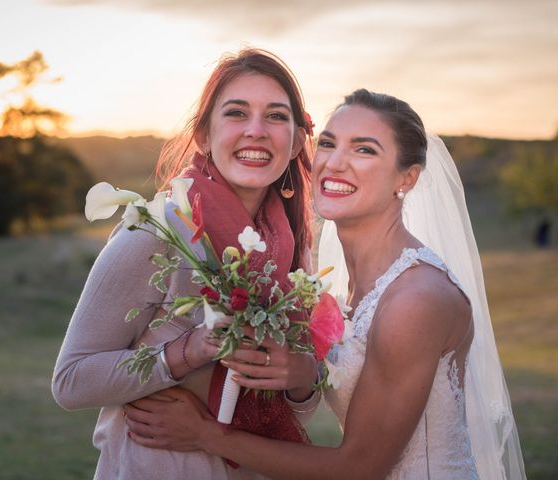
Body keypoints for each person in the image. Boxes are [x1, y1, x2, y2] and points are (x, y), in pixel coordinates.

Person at [122, 90, 526, 479]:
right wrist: (303, 373)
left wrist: (206, 434)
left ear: (407, 178)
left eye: (364, 149)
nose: (335, 163)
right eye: (329, 144)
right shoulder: (342, 290)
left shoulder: (416, 299)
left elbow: (358, 468)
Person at [51, 48, 320, 479]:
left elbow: (295, 411)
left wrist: (301, 373)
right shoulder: (157, 233)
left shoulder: (291, 249)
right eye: (236, 113)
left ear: (296, 142)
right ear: (204, 137)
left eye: (275, 116)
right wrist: (185, 352)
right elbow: (70, 381)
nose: (256, 131)